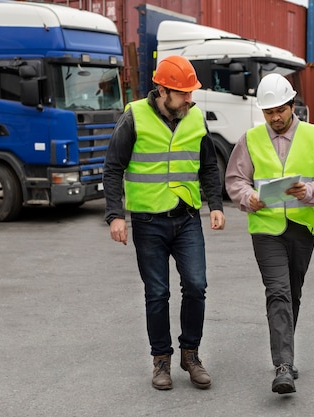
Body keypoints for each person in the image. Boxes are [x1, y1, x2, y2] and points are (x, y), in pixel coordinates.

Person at [102, 55, 226, 391]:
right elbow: (113, 167)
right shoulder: (135, 117)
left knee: (196, 285)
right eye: (183, 93)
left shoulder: (196, 116)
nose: (190, 99)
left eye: (191, 93)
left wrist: (216, 204)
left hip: (186, 218)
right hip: (148, 221)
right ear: (162, 90)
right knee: (157, 293)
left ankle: (191, 354)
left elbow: (209, 166)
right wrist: (115, 215)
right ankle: (161, 361)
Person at [225, 73, 314, 395]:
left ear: (292, 105)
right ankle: (282, 367)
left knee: (292, 292)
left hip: (303, 227)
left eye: (280, 109)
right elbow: (236, 179)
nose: (275, 117)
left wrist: (309, 191)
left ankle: (286, 357)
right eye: (268, 112)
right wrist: (248, 197)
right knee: (277, 291)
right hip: (265, 229)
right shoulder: (249, 140)